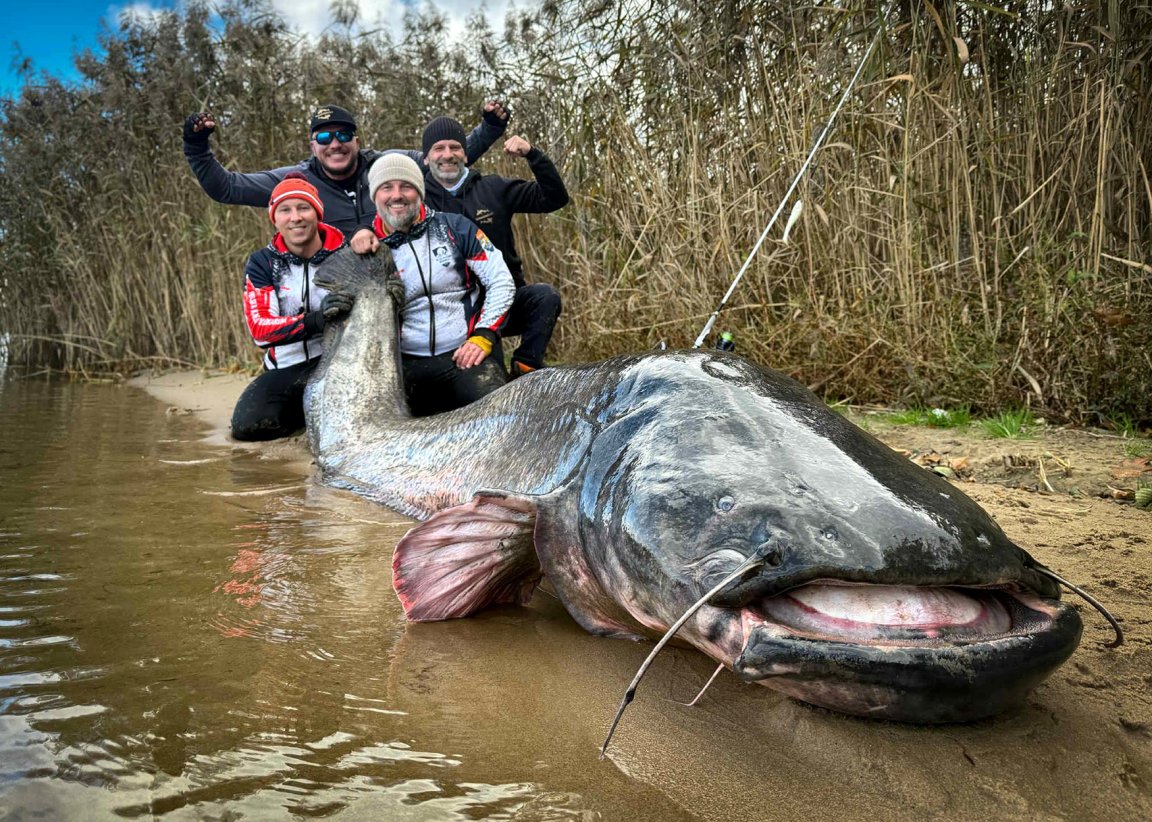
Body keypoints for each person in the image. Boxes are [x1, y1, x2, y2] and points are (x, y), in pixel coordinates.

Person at [351, 115, 568, 378]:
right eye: (438, 148)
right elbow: (382, 210)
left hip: (500, 293)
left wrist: (533, 154)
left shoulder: (494, 188)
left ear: (465, 154)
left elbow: (554, 198)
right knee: (483, 372)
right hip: (454, 305)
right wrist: (361, 230)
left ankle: (525, 367)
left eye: (455, 147)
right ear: (426, 158)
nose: (447, 155)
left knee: (544, 297)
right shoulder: (414, 198)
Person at [182, 102, 510, 241]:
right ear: (313, 146)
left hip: (398, 284)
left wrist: (490, 128)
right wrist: (196, 146)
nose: (334, 144)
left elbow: (443, 160)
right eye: (324, 137)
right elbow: (225, 188)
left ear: (356, 140)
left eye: (342, 135)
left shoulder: (387, 166)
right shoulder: (296, 181)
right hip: (335, 293)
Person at [365, 154, 515, 416]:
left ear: (420, 192)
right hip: (403, 364)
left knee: (497, 413)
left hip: (463, 354)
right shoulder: (366, 248)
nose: (397, 195)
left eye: (406, 186)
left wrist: (484, 335)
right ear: (374, 195)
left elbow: (500, 280)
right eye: (386, 187)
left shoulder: (455, 227)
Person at [230, 173, 352, 441]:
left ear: (317, 213)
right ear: (275, 219)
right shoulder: (262, 262)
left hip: (337, 365)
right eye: (285, 210)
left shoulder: (345, 254)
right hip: (286, 368)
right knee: (247, 426)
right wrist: (317, 320)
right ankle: (303, 421)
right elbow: (260, 330)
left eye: (303, 207)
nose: (295, 217)